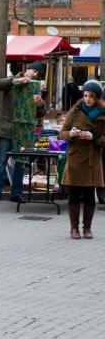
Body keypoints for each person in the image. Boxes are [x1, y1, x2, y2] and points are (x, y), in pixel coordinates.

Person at [0, 62, 46, 203]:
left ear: (35, 73)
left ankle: (16, 194)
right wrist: (14, 81)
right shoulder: (13, 80)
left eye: (31, 70)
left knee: (20, 163)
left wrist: (41, 103)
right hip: (7, 129)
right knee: (1, 162)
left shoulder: (36, 86)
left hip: (23, 131)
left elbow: (41, 111)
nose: (29, 71)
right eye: (29, 69)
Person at [60, 80, 105, 239]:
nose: (88, 99)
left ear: (97, 98)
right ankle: (74, 228)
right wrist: (71, 134)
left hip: (92, 158)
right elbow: (62, 133)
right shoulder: (76, 110)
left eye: (92, 96)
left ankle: (87, 228)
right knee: (74, 194)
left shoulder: (102, 113)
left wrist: (94, 137)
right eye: (85, 95)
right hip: (75, 158)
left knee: (89, 195)